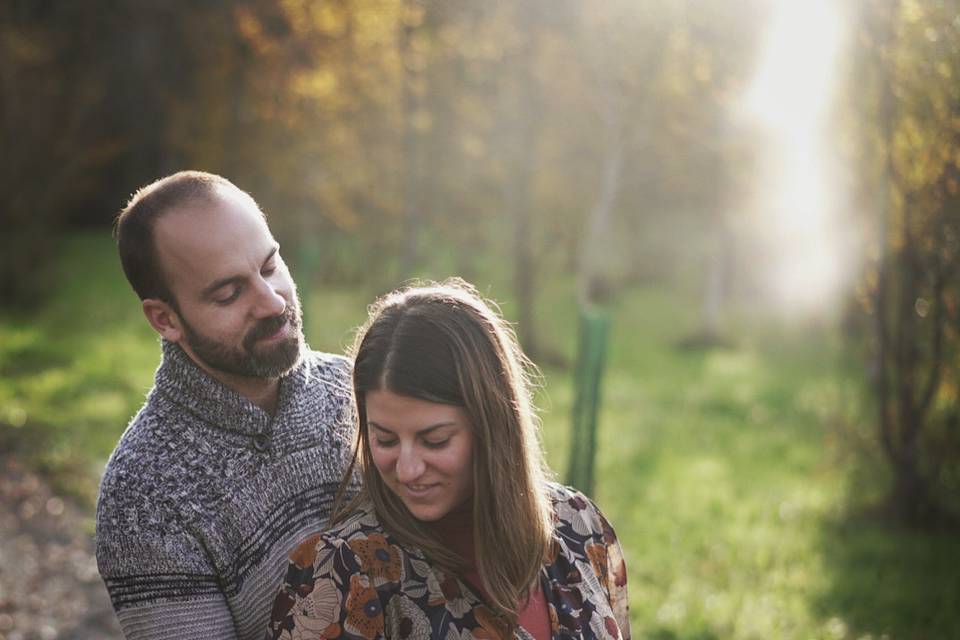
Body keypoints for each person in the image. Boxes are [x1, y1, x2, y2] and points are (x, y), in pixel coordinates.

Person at [265, 280, 630, 640]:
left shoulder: (579, 526)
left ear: (493, 427)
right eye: (385, 439)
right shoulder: (343, 571)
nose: (407, 469)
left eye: (435, 441)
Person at [95, 171, 355, 640]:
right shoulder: (143, 496)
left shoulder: (362, 390)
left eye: (270, 265)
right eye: (229, 293)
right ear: (165, 319)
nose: (271, 302)